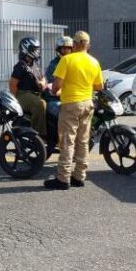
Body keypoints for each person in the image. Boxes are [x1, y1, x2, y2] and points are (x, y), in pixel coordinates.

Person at [44, 31, 103, 191]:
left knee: (67, 141)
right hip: (88, 103)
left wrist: (59, 89)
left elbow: (56, 86)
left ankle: (63, 179)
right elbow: (99, 86)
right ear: (88, 45)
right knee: (83, 141)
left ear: (75, 44)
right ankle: (79, 176)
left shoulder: (67, 60)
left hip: (71, 104)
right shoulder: (94, 62)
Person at [9, 37, 47, 138]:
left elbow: (43, 78)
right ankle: (38, 135)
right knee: (40, 104)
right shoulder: (21, 66)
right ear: (26, 49)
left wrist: (42, 83)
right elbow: (12, 84)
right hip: (23, 94)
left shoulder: (35, 65)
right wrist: (15, 102)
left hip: (36, 94)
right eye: (35, 49)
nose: (37, 51)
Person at [45, 36, 74, 118]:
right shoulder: (54, 65)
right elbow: (52, 87)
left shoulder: (73, 63)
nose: (65, 51)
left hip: (70, 98)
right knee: (65, 112)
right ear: (59, 50)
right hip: (55, 99)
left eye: (68, 48)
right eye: (63, 48)